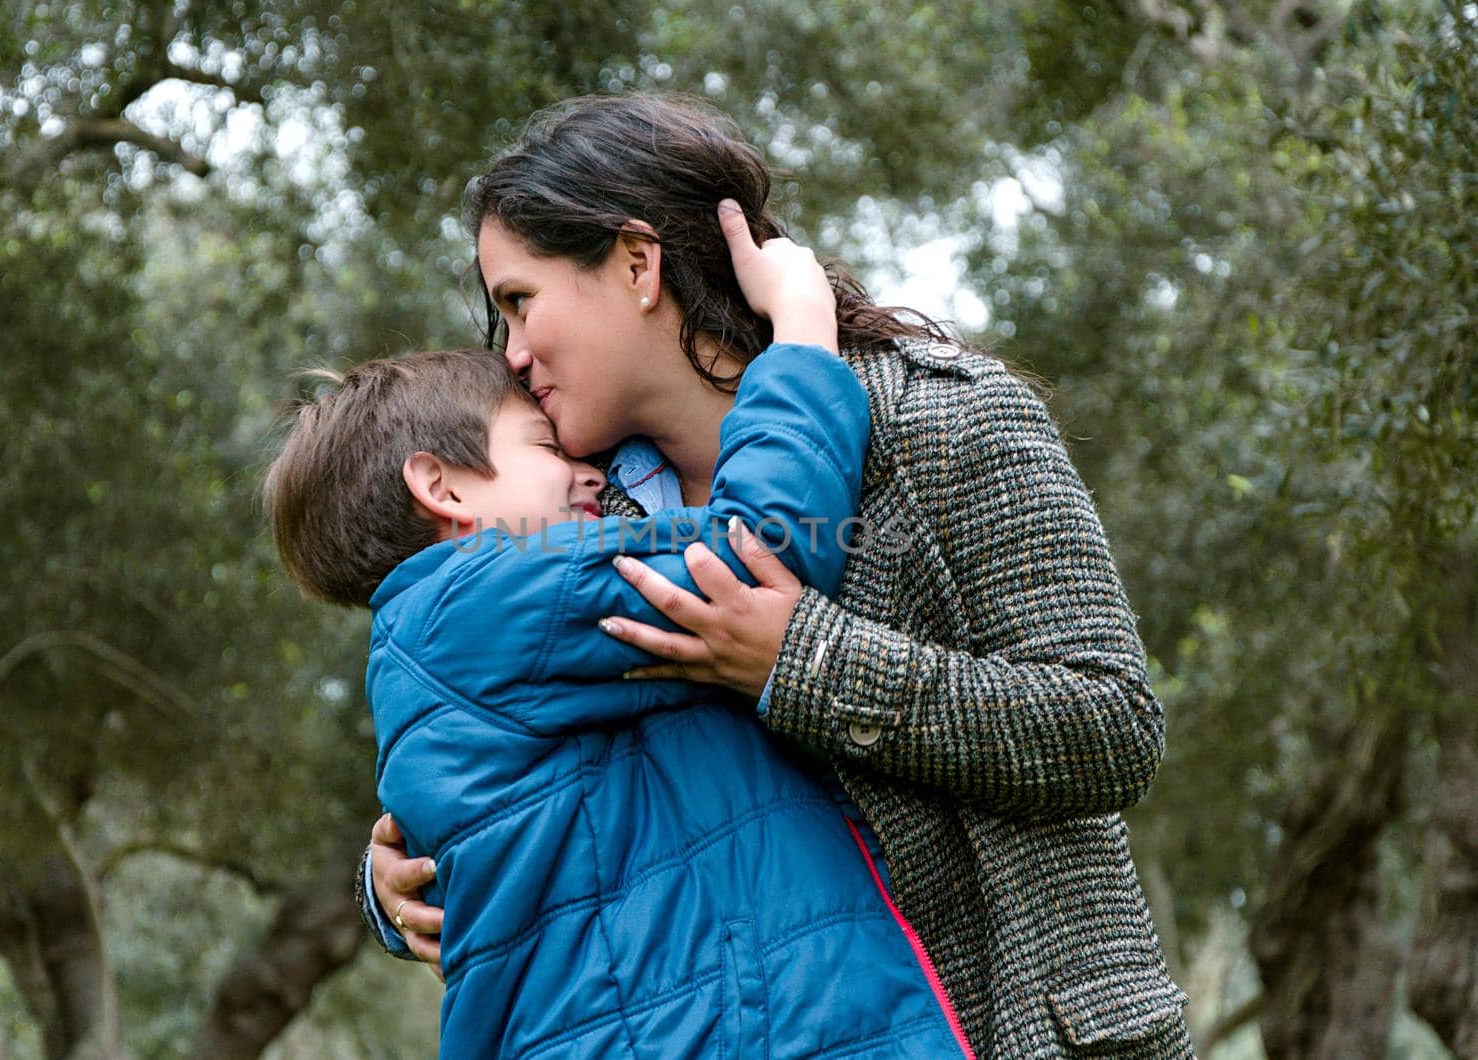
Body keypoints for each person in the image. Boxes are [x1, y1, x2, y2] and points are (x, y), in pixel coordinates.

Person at [364, 94, 1194, 1056]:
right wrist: (398, 881)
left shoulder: (949, 422)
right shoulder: (584, 518)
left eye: (520, 300)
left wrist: (798, 659)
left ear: (637, 265)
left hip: (1023, 1031)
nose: (509, 352)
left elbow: (1112, 727)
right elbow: (514, 767)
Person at [266, 223, 975, 1057]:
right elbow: (757, 547)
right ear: (440, 486)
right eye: (539, 448)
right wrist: (804, 336)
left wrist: (389, 888)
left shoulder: (444, 634)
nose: (586, 472)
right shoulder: (491, 594)